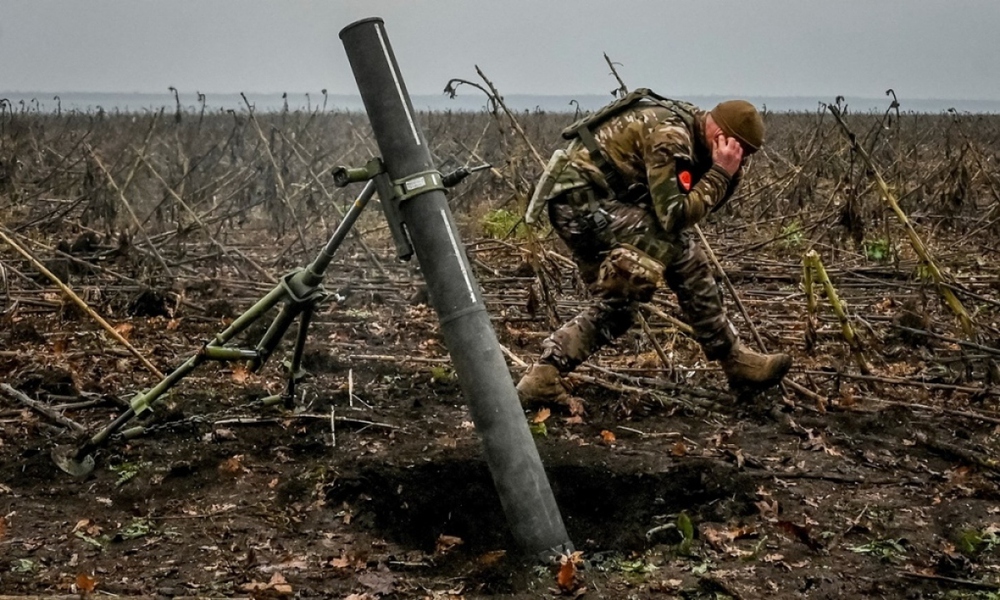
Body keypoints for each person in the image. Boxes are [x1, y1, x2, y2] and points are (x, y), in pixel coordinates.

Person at [517, 89, 791, 408]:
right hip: (582, 205)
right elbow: (674, 216)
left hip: (589, 204)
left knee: (619, 308)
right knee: (683, 250)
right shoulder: (672, 137)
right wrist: (720, 174)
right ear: (720, 134)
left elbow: (695, 205)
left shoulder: (695, 128)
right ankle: (734, 360)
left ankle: (542, 377)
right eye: (739, 151)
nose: (739, 159)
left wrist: (727, 175)